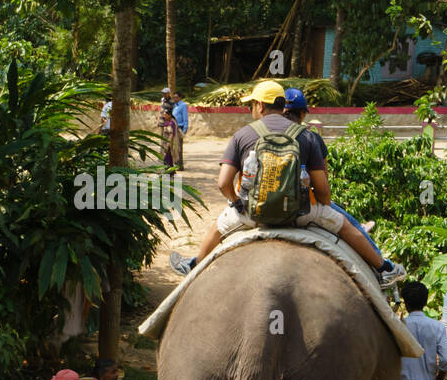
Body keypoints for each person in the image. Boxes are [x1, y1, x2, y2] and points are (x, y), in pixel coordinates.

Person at [169, 80, 406, 283]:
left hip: (253, 213)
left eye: (252, 104)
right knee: (346, 226)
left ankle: (194, 267)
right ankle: (384, 269)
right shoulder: (307, 136)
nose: (252, 108)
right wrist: (322, 206)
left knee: (217, 227)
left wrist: (236, 203)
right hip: (301, 213)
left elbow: (223, 183)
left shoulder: (243, 134)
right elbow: (322, 188)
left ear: (260, 106)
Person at [283, 88, 381, 258]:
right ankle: (384, 267)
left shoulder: (260, 133)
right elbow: (323, 188)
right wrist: (325, 204)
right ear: (302, 114)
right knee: (352, 225)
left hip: (260, 206)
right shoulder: (311, 138)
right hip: (303, 209)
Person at [170, 91, 189, 168]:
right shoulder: (174, 105)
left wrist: (184, 130)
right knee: (174, 147)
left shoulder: (183, 105)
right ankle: (176, 163)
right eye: (174, 97)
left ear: (180, 98)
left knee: (179, 147)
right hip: (173, 127)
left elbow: (185, 118)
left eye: (176, 97)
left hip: (179, 128)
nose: (175, 98)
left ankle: (180, 165)